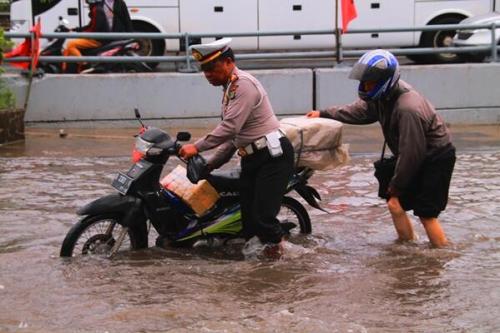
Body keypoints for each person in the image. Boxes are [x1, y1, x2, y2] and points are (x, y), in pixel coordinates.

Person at [306, 49, 456, 248]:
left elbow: (412, 154)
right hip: (414, 155)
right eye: (364, 82)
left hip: (436, 158)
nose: (365, 87)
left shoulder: (407, 108)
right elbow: (360, 111)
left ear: (384, 81)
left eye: (369, 83)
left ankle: (441, 257)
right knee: (395, 204)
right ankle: (407, 249)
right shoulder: (383, 96)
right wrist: (324, 114)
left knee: (426, 214)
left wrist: (397, 185)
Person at [179, 38, 295, 258]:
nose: (208, 75)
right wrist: (210, 164)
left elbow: (230, 128)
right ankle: (262, 264)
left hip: (273, 158)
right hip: (252, 158)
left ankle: (289, 261)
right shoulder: (230, 88)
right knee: (249, 220)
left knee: (263, 217)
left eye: (212, 68)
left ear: (229, 62)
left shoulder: (244, 86)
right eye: (204, 70)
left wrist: (196, 147)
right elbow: (235, 140)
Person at [63, 0, 133, 73]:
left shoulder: (119, 3)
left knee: (71, 44)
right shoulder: (100, 4)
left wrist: (130, 36)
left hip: (112, 36)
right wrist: (77, 30)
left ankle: (83, 64)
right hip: (105, 35)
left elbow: (127, 20)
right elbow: (93, 25)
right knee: (74, 44)